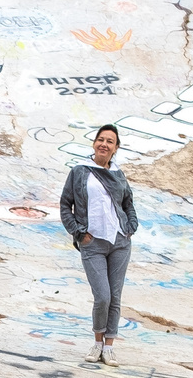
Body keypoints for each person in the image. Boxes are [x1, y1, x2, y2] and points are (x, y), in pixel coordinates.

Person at [58, 124, 136, 362]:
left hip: (119, 242)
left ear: (116, 148)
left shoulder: (118, 174)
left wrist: (131, 227)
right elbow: (65, 205)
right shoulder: (80, 171)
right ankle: (97, 343)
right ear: (94, 143)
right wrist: (79, 233)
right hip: (92, 243)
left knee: (115, 297)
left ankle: (109, 347)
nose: (104, 144)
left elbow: (128, 203)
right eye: (100, 140)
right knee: (102, 296)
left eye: (110, 141)